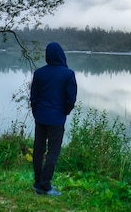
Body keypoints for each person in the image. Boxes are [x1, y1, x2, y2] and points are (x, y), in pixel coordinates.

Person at [30, 42, 77, 196]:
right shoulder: (68, 74)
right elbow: (70, 99)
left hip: (41, 117)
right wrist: (64, 112)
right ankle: (45, 185)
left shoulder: (39, 73)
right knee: (53, 152)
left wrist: (37, 113)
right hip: (57, 119)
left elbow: (34, 98)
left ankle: (38, 183)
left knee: (38, 150)